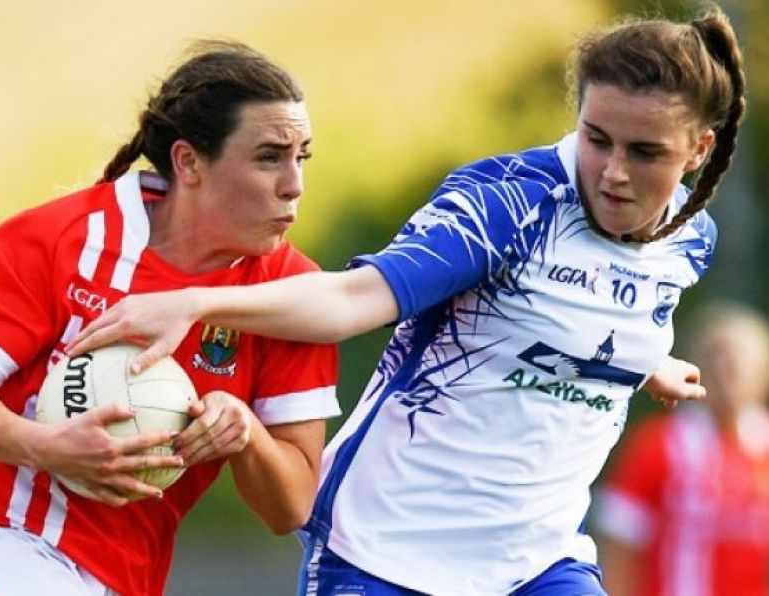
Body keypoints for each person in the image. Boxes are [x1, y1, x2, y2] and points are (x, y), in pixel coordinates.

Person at [68, 5, 746, 595]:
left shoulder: (690, 240)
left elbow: (598, 310)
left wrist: (642, 362)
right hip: (386, 554)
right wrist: (194, 304)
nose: (614, 171)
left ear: (696, 152)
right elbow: (348, 301)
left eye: (645, 152)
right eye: (596, 139)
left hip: (536, 564)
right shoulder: (506, 204)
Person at [0, 41, 339, 595]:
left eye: (301, 157)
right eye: (269, 156)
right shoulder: (61, 239)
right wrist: (45, 446)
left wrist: (245, 433)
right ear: (188, 161)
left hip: (117, 576)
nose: (294, 184)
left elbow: (289, 506)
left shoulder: (294, 298)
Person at [595, 303, 769, 596]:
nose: (729, 372)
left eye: (741, 361)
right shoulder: (658, 444)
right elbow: (620, 545)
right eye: (718, 359)